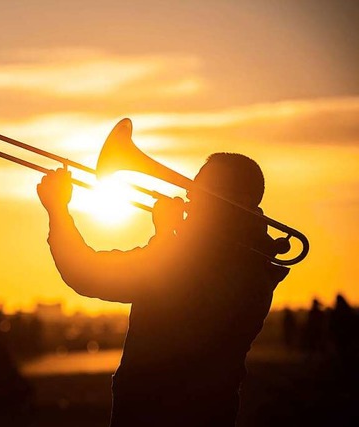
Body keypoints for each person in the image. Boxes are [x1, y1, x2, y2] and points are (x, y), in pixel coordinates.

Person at [37, 152, 290, 427]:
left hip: (158, 412)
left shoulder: (221, 263)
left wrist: (58, 211)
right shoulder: (252, 259)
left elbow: (86, 274)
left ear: (237, 201)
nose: (189, 196)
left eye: (203, 191)